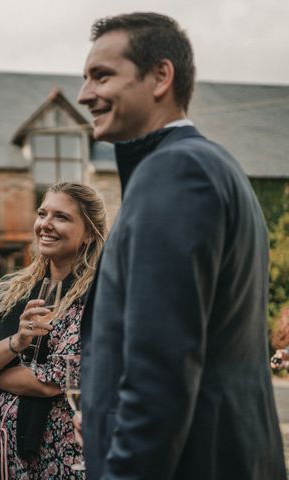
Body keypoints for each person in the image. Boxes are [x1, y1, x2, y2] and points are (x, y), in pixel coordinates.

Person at [76, 12, 286, 479]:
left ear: (160, 77)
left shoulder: (176, 173)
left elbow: (161, 368)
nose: (85, 94)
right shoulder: (212, 164)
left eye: (102, 75)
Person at [0, 182, 107, 479]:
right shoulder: (9, 291)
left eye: (62, 217)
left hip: (64, 457)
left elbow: (55, 380)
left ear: (90, 233)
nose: (46, 225)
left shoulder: (101, 296)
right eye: (43, 213)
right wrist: (15, 342)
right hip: (3, 453)